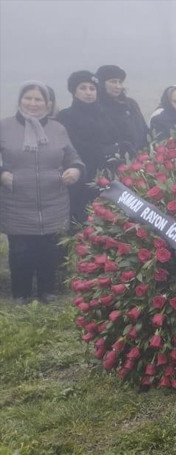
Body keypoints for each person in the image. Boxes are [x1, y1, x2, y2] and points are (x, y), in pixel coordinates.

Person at [0, 81, 84, 303]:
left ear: (47, 103)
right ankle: (21, 293)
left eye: (38, 99)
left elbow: (73, 159)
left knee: (49, 250)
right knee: (21, 251)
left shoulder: (58, 129)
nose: (33, 103)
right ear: (19, 101)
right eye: (28, 98)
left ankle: (47, 290)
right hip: (17, 201)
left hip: (53, 201)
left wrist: (75, 170)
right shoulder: (5, 127)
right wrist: (2, 173)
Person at [56, 71, 121, 224]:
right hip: (81, 180)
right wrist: (104, 151)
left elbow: (117, 139)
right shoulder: (66, 116)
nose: (88, 93)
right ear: (74, 91)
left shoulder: (106, 114)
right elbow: (72, 147)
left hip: (109, 179)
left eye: (92, 88)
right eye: (83, 88)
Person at [95, 64, 148, 156]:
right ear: (102, 84)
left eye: (120, 82)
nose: (118, 86)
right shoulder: (97, 108)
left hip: (140, 159)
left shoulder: (131, 105)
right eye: (113, 82)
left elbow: (145, 131)